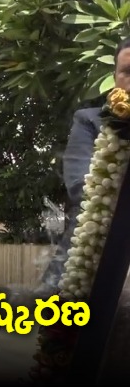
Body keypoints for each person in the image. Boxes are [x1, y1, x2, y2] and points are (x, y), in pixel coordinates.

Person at [39, 37, 130, 293]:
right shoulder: (90, 121)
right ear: (115, 76)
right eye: (128, 72)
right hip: (95, 253)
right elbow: (81, 187)